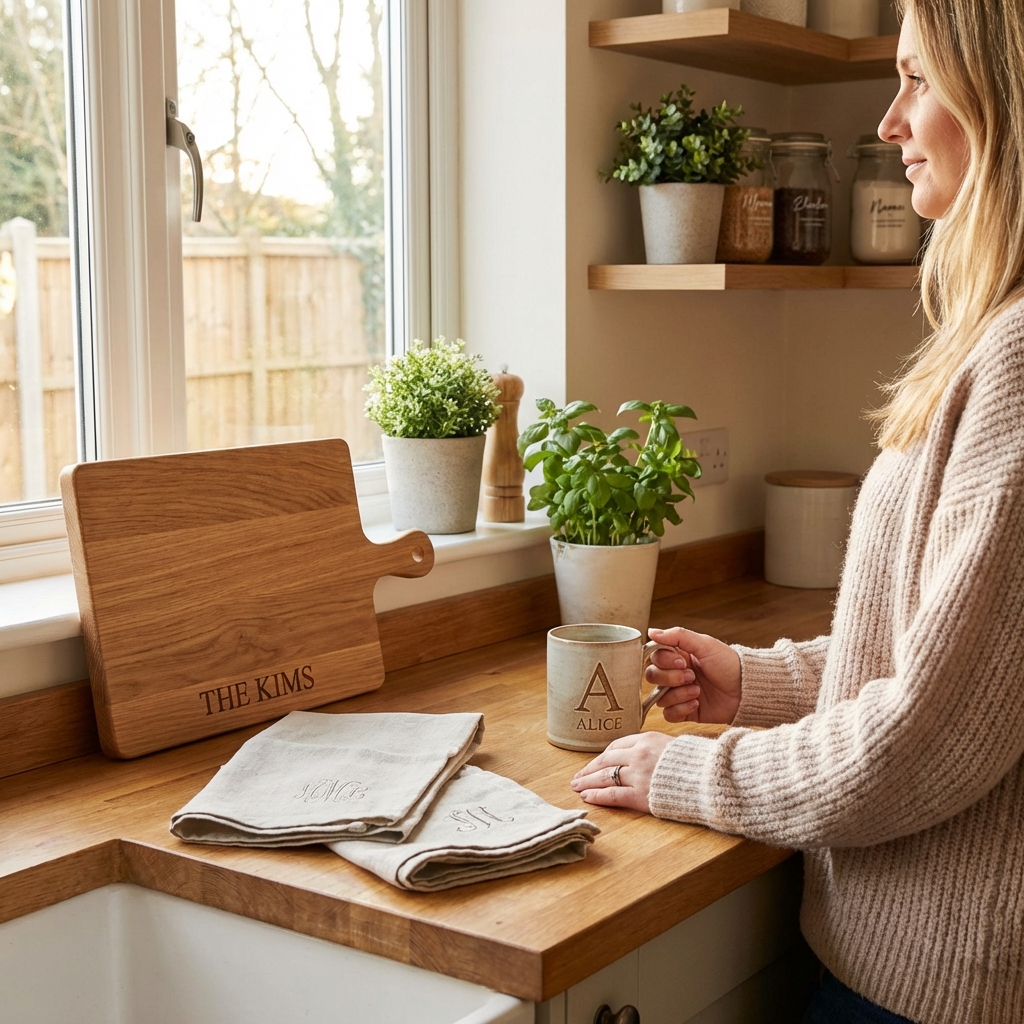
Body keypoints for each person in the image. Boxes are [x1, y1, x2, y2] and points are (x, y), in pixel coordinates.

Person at [570, 3, 1024, 1022]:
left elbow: (924, 741)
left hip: (938, 994)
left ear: (1003, 101)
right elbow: (949, 658)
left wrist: (686, 771)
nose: (888, 121)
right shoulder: (991, 337)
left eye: (918, 79)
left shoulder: (1019, 363)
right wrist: (757, 681)